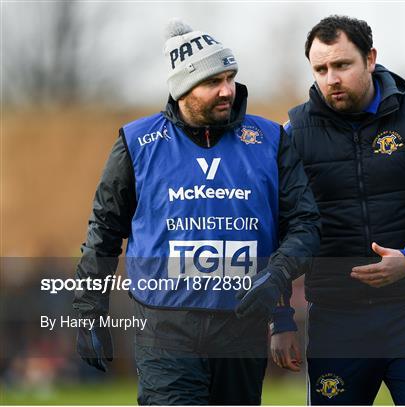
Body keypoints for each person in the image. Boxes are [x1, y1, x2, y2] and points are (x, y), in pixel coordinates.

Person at [73, 19, 320, 405]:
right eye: (212, 82)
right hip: (164, 325)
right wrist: (89, 311)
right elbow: (103, 231)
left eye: (230, 77)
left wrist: (276, 277)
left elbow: (305, 225)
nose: (228, 90)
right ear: (182, 88)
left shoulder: (271, 140)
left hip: (242, 326)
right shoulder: (137, 143)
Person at [272, 15, 405, 405]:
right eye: (321, 69)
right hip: (337, 319)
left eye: (342, 65)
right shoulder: (293, 134)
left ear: (370, 59)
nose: (332, 78)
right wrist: (281, 318)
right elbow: (279, 230)